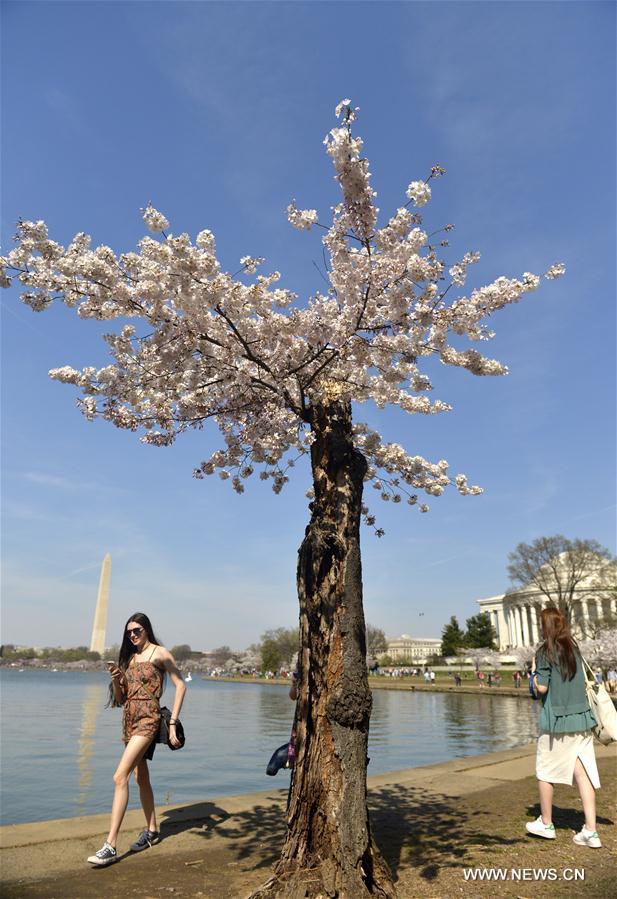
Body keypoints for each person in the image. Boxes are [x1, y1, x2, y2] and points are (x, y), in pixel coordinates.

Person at [87, 612, 187, 866]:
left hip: (148, 721)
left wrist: (173, 723)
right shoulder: (130, 659)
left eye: (137, 630)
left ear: (147, 630)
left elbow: (181, 685)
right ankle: (152, 829)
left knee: (119, 776)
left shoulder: (160, 653)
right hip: (129, 721)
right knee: (140, 777)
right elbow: (121, 700)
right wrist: (116, 680)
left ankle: (110, 845)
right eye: (129, 632)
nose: (132, 635)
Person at [526, 607, 601, 848]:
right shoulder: (574, 650)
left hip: (557, 722)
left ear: (544, 626)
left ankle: (547, 823)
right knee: (583, 772)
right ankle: (591, 830)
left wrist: (533, 674)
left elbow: (542, 689)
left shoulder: (545, 652)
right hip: (582, 719)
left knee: (545, 771)